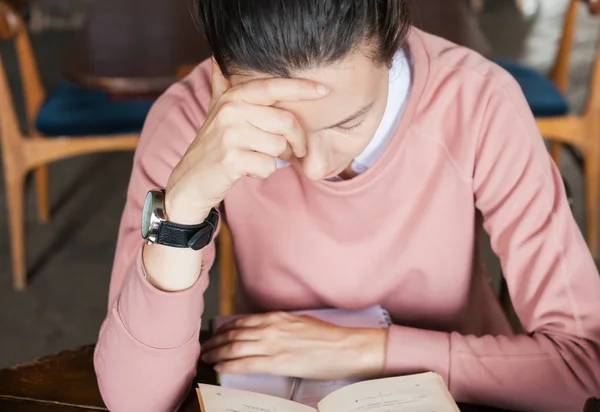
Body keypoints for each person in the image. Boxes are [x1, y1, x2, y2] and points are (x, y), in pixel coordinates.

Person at [93, 1, 600, 411]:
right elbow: (134, 400)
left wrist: (364, 348)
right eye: (277, 130)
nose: (315, 169)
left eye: (348, 122)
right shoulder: (186, 122)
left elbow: (585, 368)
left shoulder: (478, 101)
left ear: (394, 43)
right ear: (224, 79)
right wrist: (181, 213)